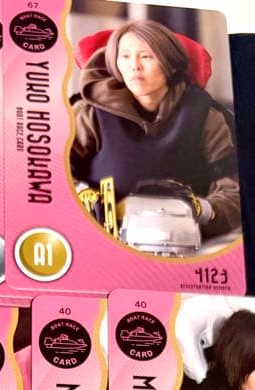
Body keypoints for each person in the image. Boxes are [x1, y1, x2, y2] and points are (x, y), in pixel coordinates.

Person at [70, 20, 240, 237]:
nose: (134, 65)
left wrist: (201, 209)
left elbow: (236, 187)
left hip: (189, 241)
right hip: (101, 238)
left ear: (170, 63)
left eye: (146, 56)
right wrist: (80, 194)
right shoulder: (89, 113)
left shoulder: (207, 116)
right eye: (125, 56)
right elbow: (51, 170)